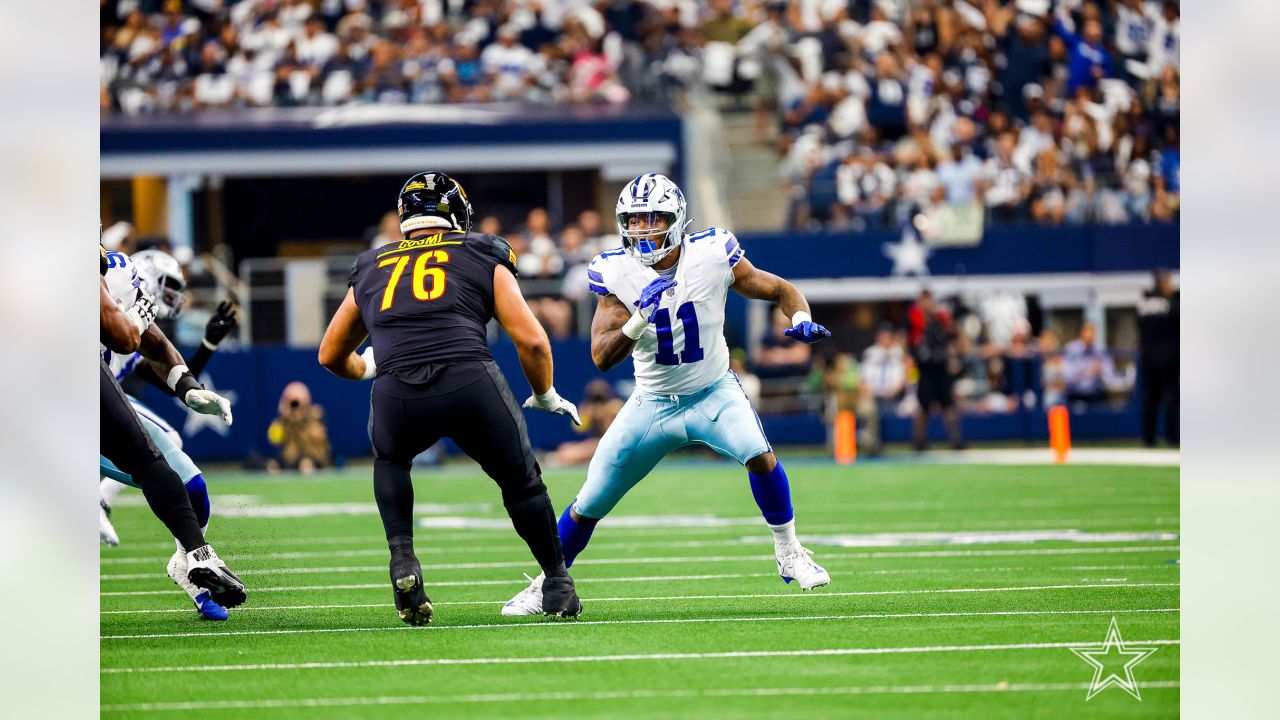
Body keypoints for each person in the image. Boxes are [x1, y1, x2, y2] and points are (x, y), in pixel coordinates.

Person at [502, 173, 833, 616]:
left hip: (712, 390)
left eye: (653, 218)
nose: (643, 229)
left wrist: (800, 316)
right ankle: (548, 583)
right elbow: (601, 356)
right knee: (591, 500)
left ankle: (790, 550)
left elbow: (778, 289)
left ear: (676, 219)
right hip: (652, 402)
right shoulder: (615, 269)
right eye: (634, 221)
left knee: (759, 453)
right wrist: (639, 317)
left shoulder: (713, 253)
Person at [319, 171, 584, 625]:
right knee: (521, 483)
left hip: (397, 392)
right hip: (468, 381)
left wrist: (365, 367)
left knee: (392, 461)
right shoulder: (482, 250)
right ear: (456, 213)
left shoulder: (370, 265)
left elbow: (329, 354)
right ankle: (557, 583)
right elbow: (533, 341)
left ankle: (403, 560)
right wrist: (544, 392)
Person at [99, 245, 245, 614]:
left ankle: (190, 560)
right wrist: (136, 315)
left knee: (185, 479)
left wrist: (190, 387)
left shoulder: (117, 275)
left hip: (96, 408)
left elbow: (155, 348)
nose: (172, 297)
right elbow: (127, 335)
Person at [907, 290, 964, 450]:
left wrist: (955, 358)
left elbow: (954, 338)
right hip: (925, 368)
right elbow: (909, 342)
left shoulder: (941, 318)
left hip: (941, 367)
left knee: (949, 404)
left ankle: (956, 440)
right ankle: (919, 442)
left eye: (929, 300)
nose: (927, 304)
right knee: (924, 406)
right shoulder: (913, 319)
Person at [1137, 270, 1178, 445]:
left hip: (1148, 358)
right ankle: (1170, 435)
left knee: (1150, 398)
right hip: (1169, 357)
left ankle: (1148, 437)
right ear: (1163, 283)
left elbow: (1139, 327)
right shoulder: (1172, 304)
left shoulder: (1144, 304)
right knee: (1171, 397)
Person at [549, 380, 624, 467]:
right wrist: (587, 415)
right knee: (564, 448)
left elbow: (613, 434)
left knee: (568, 455)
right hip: (595, 443)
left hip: (612, 445)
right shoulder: (588, 409)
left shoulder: (615, 406)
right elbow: (579, 429)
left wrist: (604, 416)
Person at [266, 381, 333, 473]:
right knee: (272, 465)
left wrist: (302, 422)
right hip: (290, 459)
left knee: (306, 464)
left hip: (312, 458)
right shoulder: (283, 420)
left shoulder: (315, 416)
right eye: (292, 404)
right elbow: (274, 440)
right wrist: (282, 419)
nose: (295, 408)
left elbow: (319, 436)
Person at [1062, 321, 1116, 407]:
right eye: (1087, 331)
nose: (1090, 335)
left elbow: (1111, 378)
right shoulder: (1071, 349)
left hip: (1096, 396)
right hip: (1075, 395)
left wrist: (1101, 371)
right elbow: (1067, 376)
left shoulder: (1100, 350)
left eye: (1092, 332)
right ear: (1081, 332)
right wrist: (1086, 371)